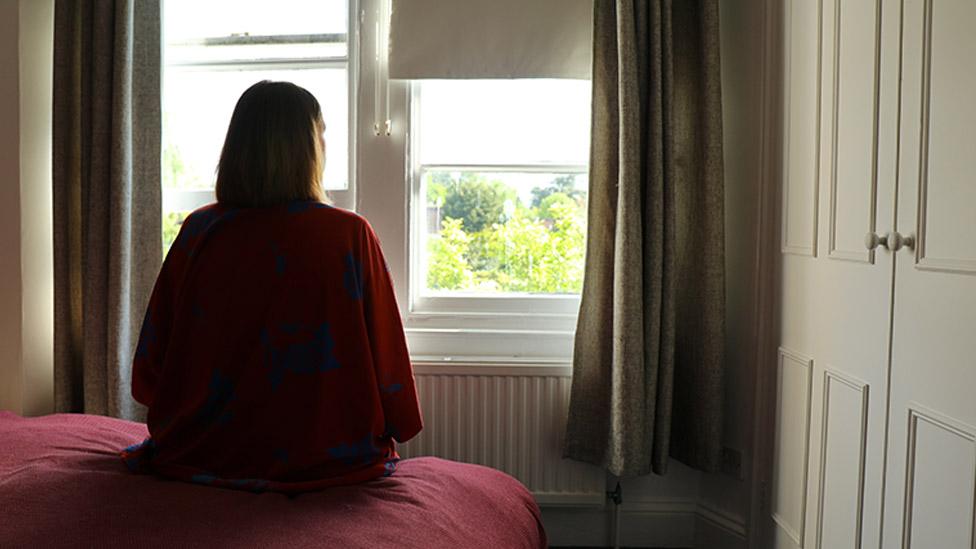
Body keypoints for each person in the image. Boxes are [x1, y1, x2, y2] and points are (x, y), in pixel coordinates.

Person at [120, 81, 422, 494]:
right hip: (326, 453)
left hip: (202, 451)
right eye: (322, 133)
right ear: (308, 148)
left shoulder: (199, 231)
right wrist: (397, 420)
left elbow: (153, 363)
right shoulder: (348, 234)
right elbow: (385, 354)